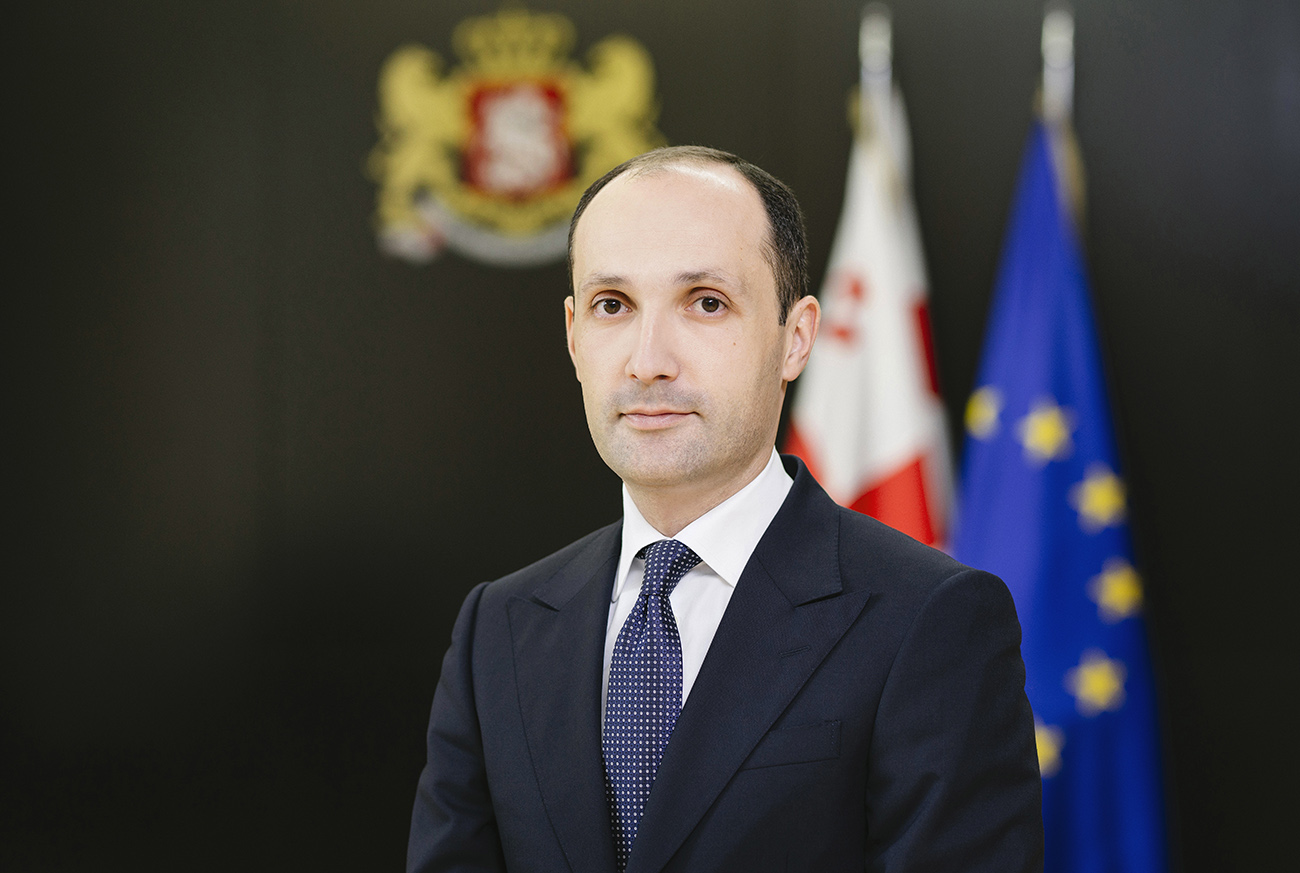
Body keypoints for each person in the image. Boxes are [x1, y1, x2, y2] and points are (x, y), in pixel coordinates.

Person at [407, 146, 1043, 873]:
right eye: (613, 305)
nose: (648, 360)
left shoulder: (931, 620)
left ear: (796, 339)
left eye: (706, 302)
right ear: (574, 335)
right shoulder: (498, 628)